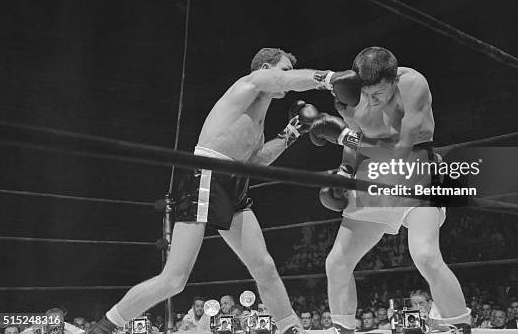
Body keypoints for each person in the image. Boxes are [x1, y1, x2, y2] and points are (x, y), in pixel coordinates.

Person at [88, 48, 359, 334]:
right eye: (284, 69)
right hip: (208, 175)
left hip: (235, 184)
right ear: (266, 67)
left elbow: (256, 161)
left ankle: (289, 328)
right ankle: (104, 327)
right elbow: (278, 82)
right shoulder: (246, 85)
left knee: (263, 266)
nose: (289, 77)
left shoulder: (258, 116)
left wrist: (290, 134)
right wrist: (327, 79)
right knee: (174, 279)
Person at [309, 47, 470, 333]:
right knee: (337, 261)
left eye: (379, 94)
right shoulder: (350, 97)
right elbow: (355, 143)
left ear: (394, 80)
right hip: (375, 176)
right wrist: (345, 171)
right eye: (366, 94)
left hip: (418, 167)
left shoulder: (413, 84)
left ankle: (459, 326)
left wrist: (343, 136)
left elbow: (401, 153)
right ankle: (342, 329)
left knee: (426, 256)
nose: (371, 101)